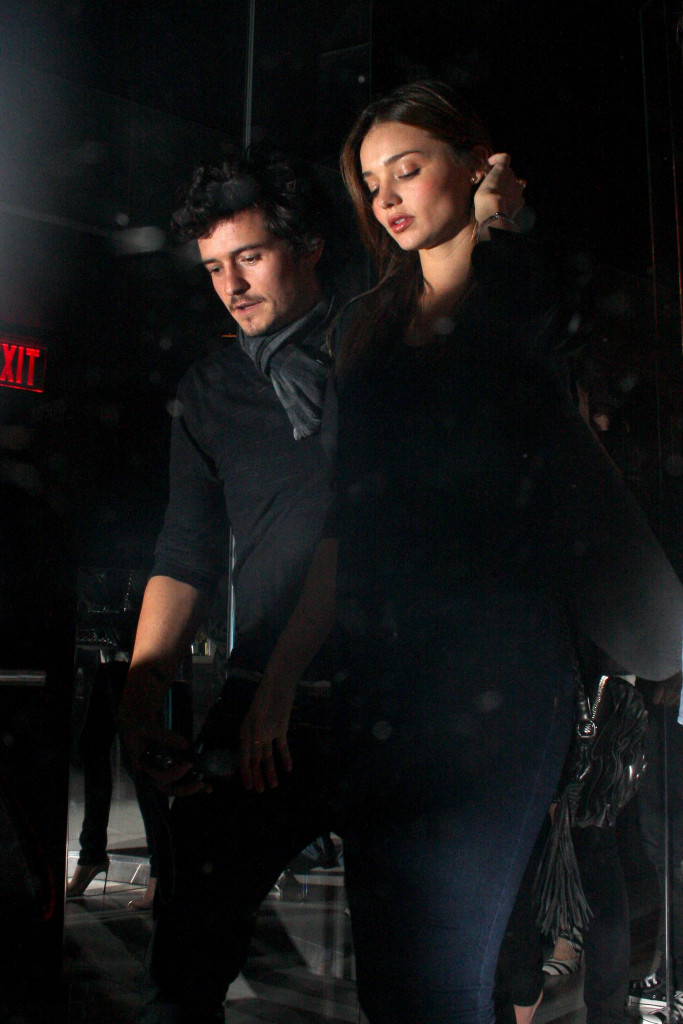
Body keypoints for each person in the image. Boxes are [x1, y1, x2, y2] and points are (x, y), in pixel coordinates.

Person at [242, 81, 683, 1024]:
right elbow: (344, 523)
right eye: (370, 183)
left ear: (475, 165)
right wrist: (280, 680)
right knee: (395, 987)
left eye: (407, 169)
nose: (386, 198)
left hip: (497, 680)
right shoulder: (365, 327)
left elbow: (513, 375)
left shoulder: (523, 288)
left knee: (442, 983)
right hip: (383, 687)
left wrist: (500, 228)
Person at [118, 148, 344, 1024]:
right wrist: (142, 694)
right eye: (214, 267)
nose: (231, 286)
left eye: (248, 257)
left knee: (430, 980)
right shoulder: (211, 387)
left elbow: (360, 530)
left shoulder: (374, 358)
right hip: (261, 704)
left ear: (308, 246)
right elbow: (186, 552)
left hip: (390, 693)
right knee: (184, 963)